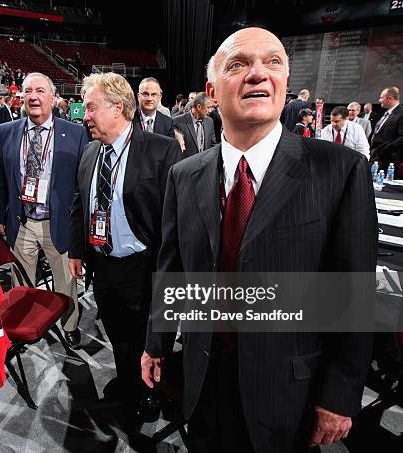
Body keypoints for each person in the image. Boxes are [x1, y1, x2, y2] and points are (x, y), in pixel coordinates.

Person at [142, 27, 376, 453]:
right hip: (203, 377)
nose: (258, 74)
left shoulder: (340, 171)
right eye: (239, 64)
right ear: (212, 92)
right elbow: (171, 267)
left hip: (291, 391)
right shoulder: (185, 174)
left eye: (273, 62)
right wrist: (156, 344)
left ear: (285, 83)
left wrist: (340, 395)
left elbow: (353, 294)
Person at [69, 72, 180, 415]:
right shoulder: (89, 151)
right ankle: (128, 381)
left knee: (146, 338)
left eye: (90, 108)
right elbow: (79, 203)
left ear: (117, 108)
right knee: (117, 332)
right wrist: (76, 250)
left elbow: (174, 221)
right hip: (102, 265)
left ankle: (149, 391)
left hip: (142, 266)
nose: (83, 115)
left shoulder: (161, 149)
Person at [0, 72, 88, 347]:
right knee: (21, 280)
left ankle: (69, 325)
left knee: (65, 281)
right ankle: (24, 323)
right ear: (21, 96)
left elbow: (82, 185)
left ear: (53, 97)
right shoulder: (6, 131)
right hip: (21, 221)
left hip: (58, 222)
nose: (33, 96)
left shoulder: (76, 133)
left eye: (40, 91)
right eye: (28, 91)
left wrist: (79, 226)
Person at [173, 92, 216, 157]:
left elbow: (212, 144)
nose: (210, 111)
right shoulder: (177, 122)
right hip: (187, 165)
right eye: (208, 107)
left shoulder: (209, 121)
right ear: (199, 107)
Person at [371, 86, 403, 174]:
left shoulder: (401, 114)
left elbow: (401, 138)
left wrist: (383, 150)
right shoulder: (387, 113)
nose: (379, 100)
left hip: (387, 160)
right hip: (376, 157)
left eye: (381, 97)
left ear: (389, 98)